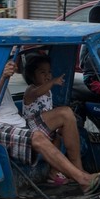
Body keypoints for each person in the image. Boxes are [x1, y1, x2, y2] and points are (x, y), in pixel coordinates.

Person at [0, 57, 100, 194]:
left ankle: (78, 170)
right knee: (38, 137)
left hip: (20, 122)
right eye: (43, 72)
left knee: (66, 113)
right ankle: (83, 180)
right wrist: (2, 77)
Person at [22, 52, 84, 185]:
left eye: (49, 72)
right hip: (33, 126)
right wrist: (53, 81)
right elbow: (39, 92)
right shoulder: (30, 90)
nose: (47, 75)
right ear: (32, 75)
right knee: (64, 113)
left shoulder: (48, 91)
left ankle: (54, 172)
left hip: (46, 126)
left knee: (58, 139)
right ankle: (77, 169)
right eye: (42, 72)